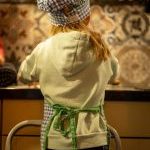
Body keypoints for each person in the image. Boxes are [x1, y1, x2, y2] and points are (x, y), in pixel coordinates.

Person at [17, 0, 119, 150]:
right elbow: (115, 75)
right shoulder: (101, 49)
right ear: (87, 17)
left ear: (53, 22)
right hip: (93, 139)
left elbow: (23, 75)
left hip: (55, 138)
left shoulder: (43, 49)